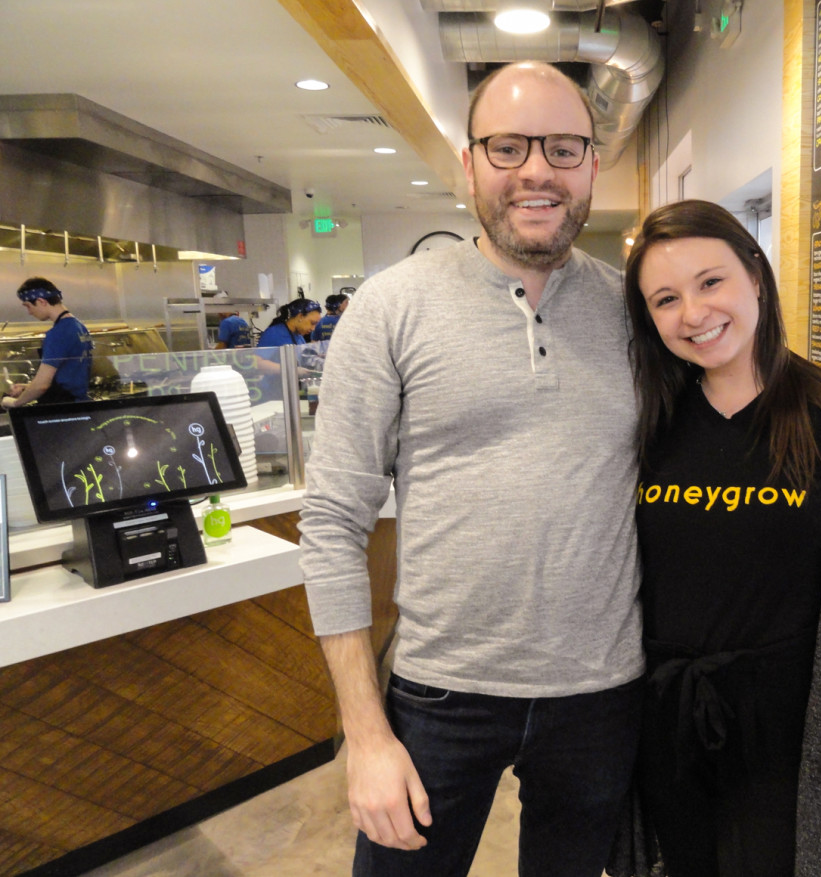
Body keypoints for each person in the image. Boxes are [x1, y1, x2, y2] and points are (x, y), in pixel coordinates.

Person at [300, 61, 644, 877]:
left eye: (564, 148)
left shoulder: (635, 311)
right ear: (469, 163)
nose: (536, 170)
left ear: (594, 164)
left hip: (602, 693)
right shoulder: (392, 306)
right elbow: (332, 524)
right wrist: (367, 733)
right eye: (509, 146)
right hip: (440, 692)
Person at [620, 200, 821, 876]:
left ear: (756, 273)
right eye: (666, 298)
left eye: (710, 281)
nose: (693, 312)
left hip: (800, 734)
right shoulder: (643, 426)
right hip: (665, 729)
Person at [2, 277, 93, 409]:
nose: (29, 312)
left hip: (62, 410)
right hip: (79, 405)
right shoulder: (78, 326)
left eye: (28, 306)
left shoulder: (57, 333)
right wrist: (27, 388)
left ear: (41, 301)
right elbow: (67, 377)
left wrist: (14, 403)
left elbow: (42, 385)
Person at [254, 298, 321, 400]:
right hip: (274, 395)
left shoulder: (298, 335)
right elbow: (258, 363)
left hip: (291, 392)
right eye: (312, 323)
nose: (313, 329)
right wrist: (291, 370)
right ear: (300, 317)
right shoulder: (274, 333)